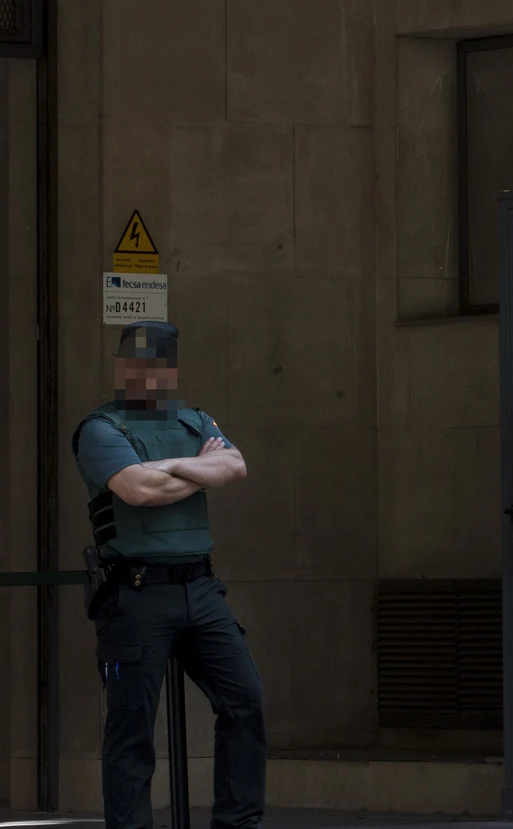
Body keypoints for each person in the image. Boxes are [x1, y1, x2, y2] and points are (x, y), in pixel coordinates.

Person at [73, 321, 265, 829]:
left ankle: (238, 824)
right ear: (122, 367)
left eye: (156, 363)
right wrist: (196, 470)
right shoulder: (101, 428)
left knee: (245, 701)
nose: (145, 373)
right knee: (132, 730)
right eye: (135, 363)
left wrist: (166, 467)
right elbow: (138, 491)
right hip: (135, 595)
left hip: (200, 589)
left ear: (170, 369)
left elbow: (236, 467)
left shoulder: (194, 417)